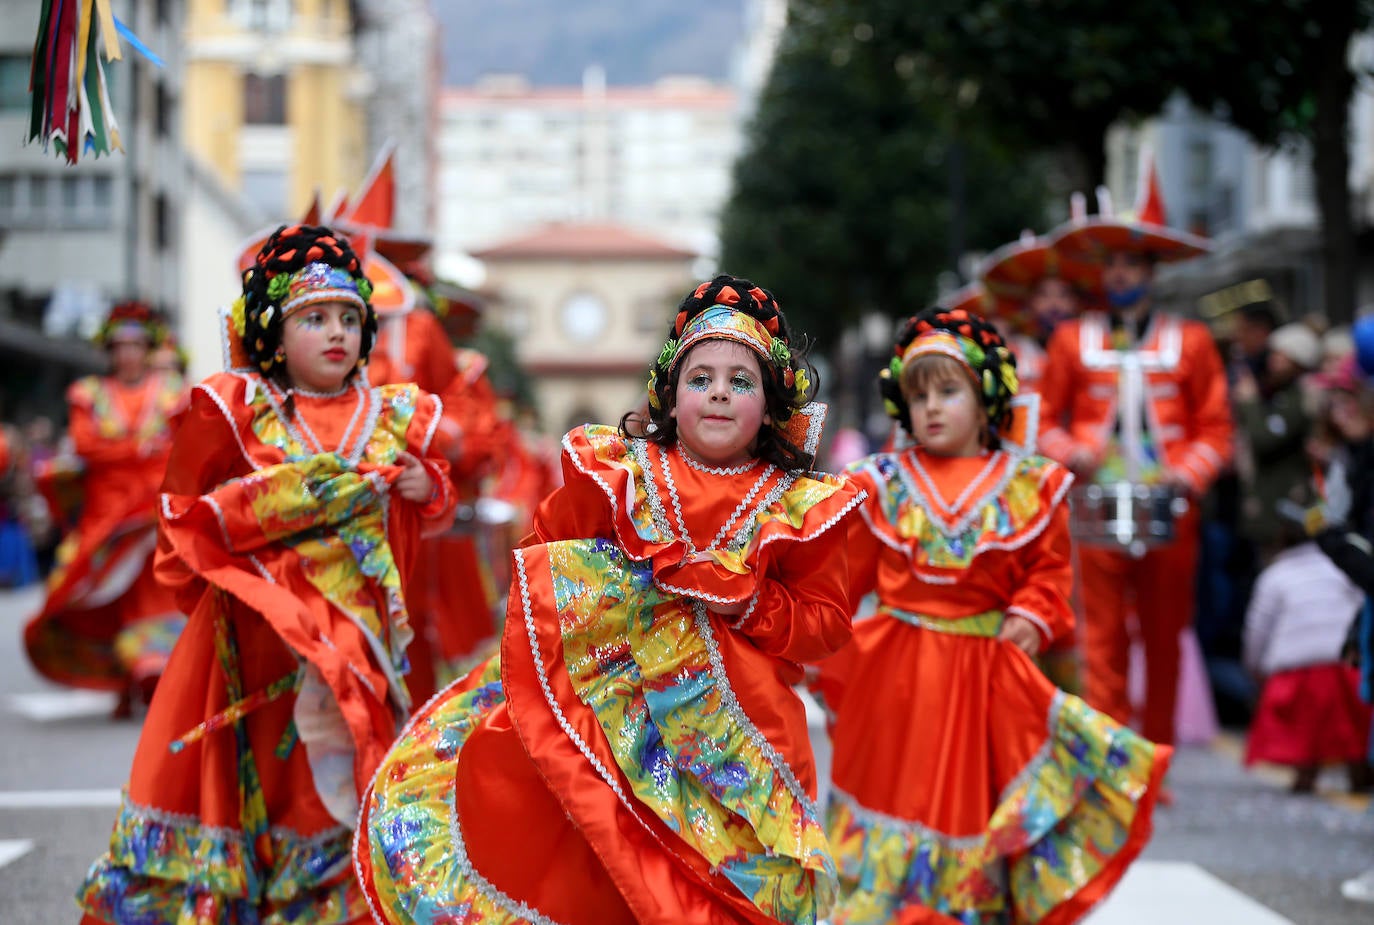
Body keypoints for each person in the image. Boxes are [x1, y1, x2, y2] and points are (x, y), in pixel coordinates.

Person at [355, 275, 864, 925]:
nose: (717, 393)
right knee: (603, 858)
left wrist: (752, 605)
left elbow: (825, 621)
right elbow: (549, 547)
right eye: (699, 377)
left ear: (770, 407)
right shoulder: (623, 474)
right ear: (669, 396)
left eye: (741, 382)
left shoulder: (796, 506)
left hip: (734, 736)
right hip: (607, 713)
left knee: (719, 881)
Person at [77, 224, 457, 924]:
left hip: (355, 640)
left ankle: (334, 904)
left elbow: (433, 503)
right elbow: (184, 515)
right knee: (265, 775)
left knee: (341, 775)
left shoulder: (391, 413)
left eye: (349, 317)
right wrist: (251, 538)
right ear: (275, 335)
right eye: (314, 318)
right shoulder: (237, 408)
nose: (336, 332)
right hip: (256, 642)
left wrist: (421, 490)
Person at [813, 307, 1171, 924]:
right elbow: (847, 576)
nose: (931, 408)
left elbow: (1050, 570)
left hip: (980, 675)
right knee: (887, 789)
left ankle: (957, 910)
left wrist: (1033, 612)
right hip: (893, 677)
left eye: (948, 392)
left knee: (967, 801)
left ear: (986, 401)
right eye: (917, 394)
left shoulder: (1026, 486)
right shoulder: (883, 483)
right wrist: (811, 632)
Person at [1039, 181, 1233, 748]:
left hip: (1171, 505)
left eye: (1131, 264)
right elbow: (1043, 421)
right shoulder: (1072, 341)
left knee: (1165, 635)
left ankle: (1158, 756)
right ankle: (1111, 759)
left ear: (1152, 271)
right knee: (1100, 637)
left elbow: (1217, 429)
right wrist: (1073, 452)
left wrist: (1186, 475)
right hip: (1097, 498)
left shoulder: (1193, 340)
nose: (1120, 274)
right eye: (1113, 264)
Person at [23, 300, 187, 715]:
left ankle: (152, 665)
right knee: (102, 591)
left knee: (155, 587)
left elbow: (180, 444)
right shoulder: (89, 394)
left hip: (154, 512)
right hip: (107, 515)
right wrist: (141, 449)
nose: (127, 353)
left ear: (147, 348)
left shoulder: (172, 392)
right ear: (109, 351)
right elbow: (85, 445)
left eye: (135, 345)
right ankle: (123, 674)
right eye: (119, 345)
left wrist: (132, 452)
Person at [1242, 514, 1370, 793]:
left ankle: (1305, 774)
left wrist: (1254, 668)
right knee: (1353, 730)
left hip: (1296, 671)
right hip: (1346, 667)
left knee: (1303, 732)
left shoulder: (1274, 575)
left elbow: (1257, 629)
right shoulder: (1343, 565)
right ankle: (1359, 773)